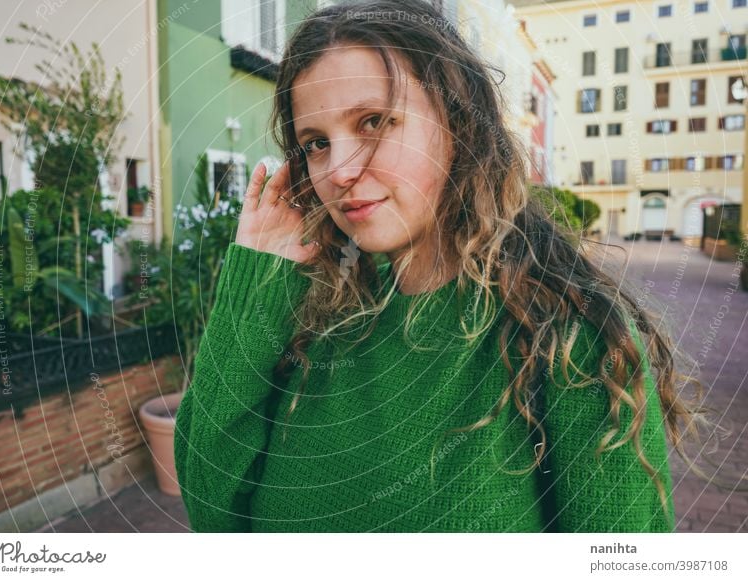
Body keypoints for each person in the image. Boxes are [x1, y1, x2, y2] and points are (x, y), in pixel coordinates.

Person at [174, 0, 704, 532]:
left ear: (458, 124)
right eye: (316, 143)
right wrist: (257, 275)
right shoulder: (319, 320)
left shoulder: (566, 342)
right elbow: (211, 511)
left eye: (375, 122)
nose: (338, 170)